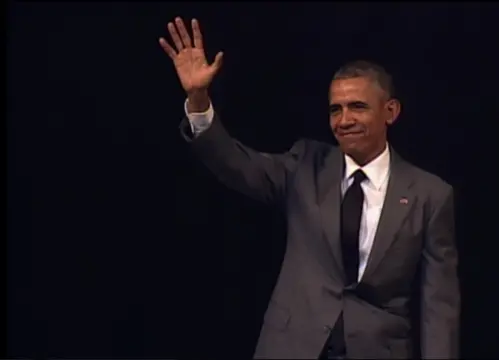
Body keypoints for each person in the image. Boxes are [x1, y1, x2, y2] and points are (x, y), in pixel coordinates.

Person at [160, 16, 460, 359]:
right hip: (292, 346)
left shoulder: (430, 195)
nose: (344, 120)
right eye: (336, 109)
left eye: (357, 107)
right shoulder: (305, 165)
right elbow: (237, 165)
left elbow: (439, 307)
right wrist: (198, 101)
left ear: (390, 112)